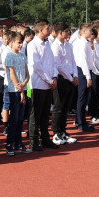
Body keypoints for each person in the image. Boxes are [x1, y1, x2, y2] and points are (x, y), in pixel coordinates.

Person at [27, 20, 56, 151]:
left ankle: (45, 139)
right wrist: (49, 79)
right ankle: (33, 141)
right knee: (36, 114)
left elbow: (52, 62)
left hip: (49, 83)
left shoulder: (48, 43)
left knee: (45, 114)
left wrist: (54, 76)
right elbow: (36, 66)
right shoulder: (32, 45)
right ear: (40, 30)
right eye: (47, 28)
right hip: (38, 84)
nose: (49, 30)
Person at [3, 31, 28, 154]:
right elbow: (12, 75)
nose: (20, 45)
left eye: (22, 43)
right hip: (14, 91)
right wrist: (20, 88)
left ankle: (18, 143)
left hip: (23, 88)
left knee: (20, 118)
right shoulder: (9, 56)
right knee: (14, 118)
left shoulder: (23, 56)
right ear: (12, 42)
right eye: (18, 43)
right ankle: (9, 144)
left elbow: (27, 73)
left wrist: (24, 84)